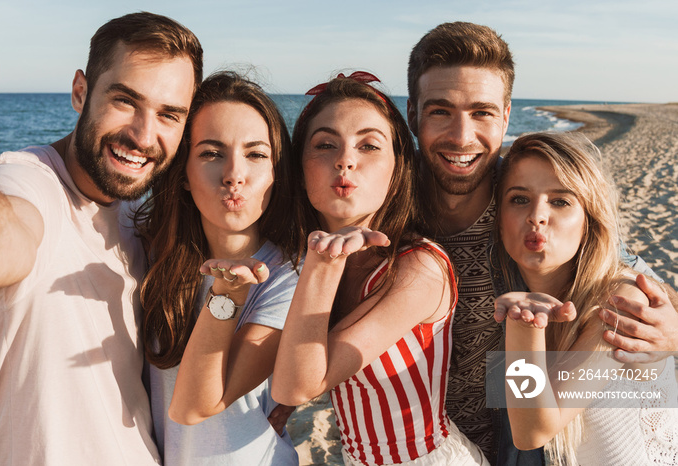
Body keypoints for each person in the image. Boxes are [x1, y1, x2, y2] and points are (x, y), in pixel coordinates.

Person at [405, 21, 678, 464]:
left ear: (506, 115)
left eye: (482, 112)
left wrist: (668, 330)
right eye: (440, 111)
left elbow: (619, 272)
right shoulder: (388, 209)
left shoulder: (521, 197)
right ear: (413, 114)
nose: (461, 136)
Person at [0, 12, 202, 464]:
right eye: (125, 101)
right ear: (81, 92)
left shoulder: (142, 213)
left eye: (169, 115)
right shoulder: (31, 185)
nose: (143, 135)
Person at [272, 73, 488, 465]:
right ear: (300, 171)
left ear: (397, 168)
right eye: (325, 144)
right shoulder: (306, 264)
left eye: (369, 145)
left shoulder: (419, 267)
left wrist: (323, 263)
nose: (345, 159)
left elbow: (295, 385)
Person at [135, 71, 299, 465]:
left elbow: (193, 406)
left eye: (256, 154)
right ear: (184, 174)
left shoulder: (286, 276)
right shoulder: (149, 250)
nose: (234, 175)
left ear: (276, 172)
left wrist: (226, 296)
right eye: (211, 153)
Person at [494, 131, 678, 465]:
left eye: (560, 201)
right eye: (520, 199)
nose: (537, 215)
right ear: (499, 218)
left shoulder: (620, 302)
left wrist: (524, 323)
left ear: (588, 221)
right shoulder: (523, 289)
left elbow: (532, 430)